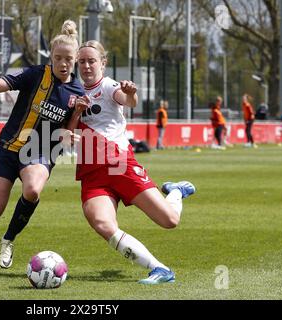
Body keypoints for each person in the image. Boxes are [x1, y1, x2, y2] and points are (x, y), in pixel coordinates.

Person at [0, 20, 85, 276]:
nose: (62, 63)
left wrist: (71, 132)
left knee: (33, 189)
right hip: (8, 148)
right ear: (51, 56)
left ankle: (8, 240)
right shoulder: (35, 74)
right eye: (58, 57)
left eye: (68, 59)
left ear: (75, 60)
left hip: (40, 152)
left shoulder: (76, 91)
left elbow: (68, 131)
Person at [67, 40, 196, 285]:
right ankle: (159, 269)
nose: (86, 66)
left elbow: (128, 101)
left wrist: (131, 92)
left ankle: (176, 191)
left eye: (91, 61)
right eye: (81, 61)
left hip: (120, 165)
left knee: (170, 221)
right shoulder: (72, 92)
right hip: (91, 173)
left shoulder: (107, 86)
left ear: (102, 63)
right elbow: (67, 134)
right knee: (102, 223)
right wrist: (75, 112)